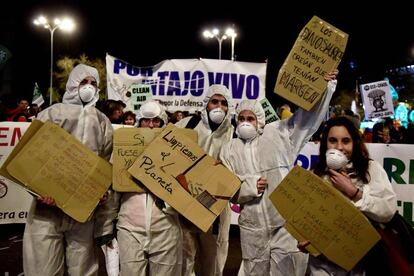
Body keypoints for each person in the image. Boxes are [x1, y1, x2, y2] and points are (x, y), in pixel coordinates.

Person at [219, 70, 339, 276]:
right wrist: (248, 186)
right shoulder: (229, 149)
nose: (246, 122)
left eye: (251, 118)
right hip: (252, 228)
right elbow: (225, 186)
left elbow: (307, 119)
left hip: (284, 224)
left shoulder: (279, 134)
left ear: (260, 120)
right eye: (241, 118)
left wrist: (324, 87)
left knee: (288, 271)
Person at [23, 64, 116, 276]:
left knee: (83, 270)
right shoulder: (51, 114)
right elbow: (31, 159)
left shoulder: (103, 123)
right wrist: (39, 192)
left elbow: (105, 165)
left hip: (83, 212)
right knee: (42, 270)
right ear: (73, 84)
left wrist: (101, 192)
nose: (89, 87)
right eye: (84, 82)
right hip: (46, 211)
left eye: (94, 84)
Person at [298, 116, 397, 275]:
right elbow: (305, 218)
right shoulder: (315, 174)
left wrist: (354, 193)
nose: (339, 147)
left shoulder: (371, 169)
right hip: (321, 266)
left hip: (361, 265)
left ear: (355, 143)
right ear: (325, 144)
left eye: (345, 141)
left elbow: (388, 211)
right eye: (332, 140)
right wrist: (303, 240)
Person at [116, 100, 182, 275]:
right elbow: (114, 187)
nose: (151, 125)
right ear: (139, 122)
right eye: (146, 120)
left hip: (165, 227)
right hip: (130, 227)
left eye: (156, 121)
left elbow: (185, 191)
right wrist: (106, 226)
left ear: (162, 123)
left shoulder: (176, 154)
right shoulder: (124, 149)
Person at [175, 84, 234, 276]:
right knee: (184, 257)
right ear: (206, 103)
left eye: (223, 103)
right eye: (214, 101)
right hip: (185, 203)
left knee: (213, 259)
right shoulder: (187, 125)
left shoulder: (233, 133)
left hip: (215, 206)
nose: (219, 107)